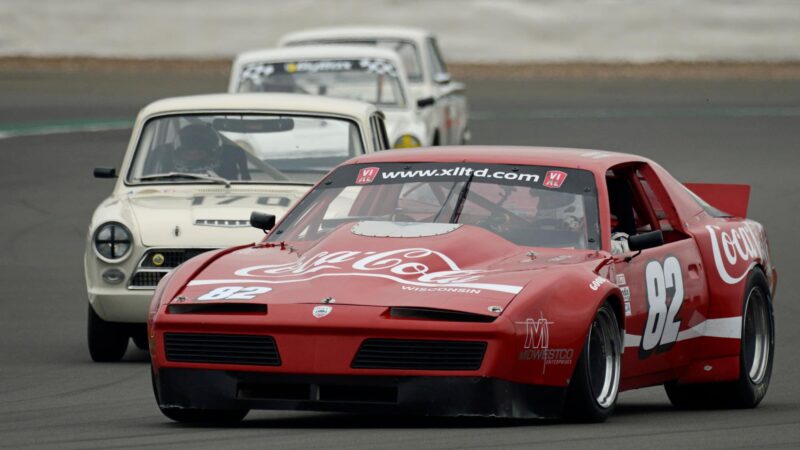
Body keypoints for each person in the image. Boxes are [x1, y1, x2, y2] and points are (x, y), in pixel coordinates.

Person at [171, 124, 250, 180]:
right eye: (187, 154)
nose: (193, 157)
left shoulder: (226, 182)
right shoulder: (167, 180)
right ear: (179, 155)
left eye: (199, 154)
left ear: (211, 157)